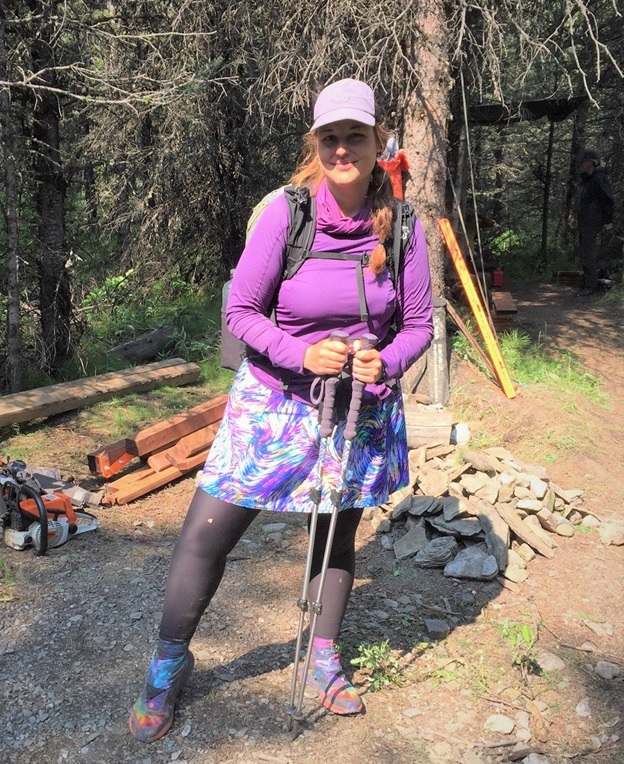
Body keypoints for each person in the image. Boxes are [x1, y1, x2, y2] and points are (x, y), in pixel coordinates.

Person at [128, 77, 434, 743]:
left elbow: (418, 326)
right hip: (272, 402)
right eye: (331, 137)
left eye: (356, 135)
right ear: (316, 144)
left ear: (377, 141)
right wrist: (302, 354)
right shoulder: (286, 214)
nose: (343, 148)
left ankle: (322, 658)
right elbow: (240, 312)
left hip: (358, 408)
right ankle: (168, 663)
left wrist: (386, 361)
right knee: (207, 532)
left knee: (335, 538)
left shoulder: (405, 226)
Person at [576, 149, 614, 296]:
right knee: (585, 253)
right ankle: (589, 283)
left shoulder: (598, 178)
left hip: (593, 221)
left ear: (592, 163)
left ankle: (591, 286)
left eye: (585, 161)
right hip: (585, 221)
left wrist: (608, 220)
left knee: (587, 253)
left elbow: (607, 200)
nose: (582, 163)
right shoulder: (586, 179)